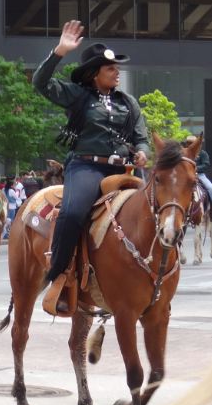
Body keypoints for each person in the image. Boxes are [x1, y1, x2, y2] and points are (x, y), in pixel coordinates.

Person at [32, 21, 150, 314]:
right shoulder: (77, 95)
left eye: (116, 68)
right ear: (94, 73)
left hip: (123, 171)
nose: (117, 72)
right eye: (110, 68)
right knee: (72, 214)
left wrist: (143, 153)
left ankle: (157, 276)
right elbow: (40, 83)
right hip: (86, 168)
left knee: (156, 209)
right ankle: (60, 278)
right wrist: (60, 51)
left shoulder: (129, 103)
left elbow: (141, 137)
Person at [181, 136, 212, 221]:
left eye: (192, 143)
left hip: (199, 175)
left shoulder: (202, 153)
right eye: (188, 143)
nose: (190, 145)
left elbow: (206, 164)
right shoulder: (183, 153)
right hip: (186, 175)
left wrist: (196, 168)